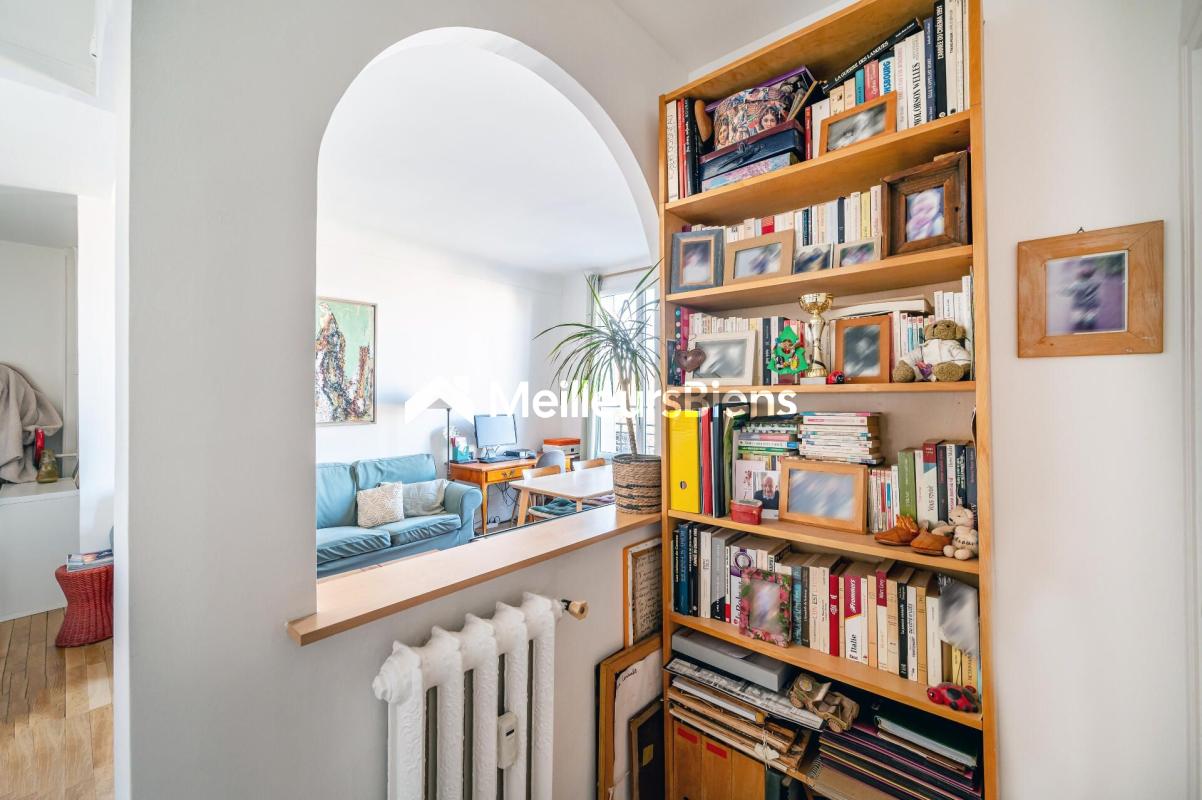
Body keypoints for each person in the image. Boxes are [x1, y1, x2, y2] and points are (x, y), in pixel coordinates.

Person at [1062, 261, 1103, 331]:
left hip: (1079, 304)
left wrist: (1063, 291)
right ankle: (1089, 319)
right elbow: (1099, 282)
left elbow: (1069, 292)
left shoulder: (1076, 284)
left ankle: (1081, 319)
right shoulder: (1095, 282)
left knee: (1078, 316)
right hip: (1092, 303)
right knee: (1090, 314)